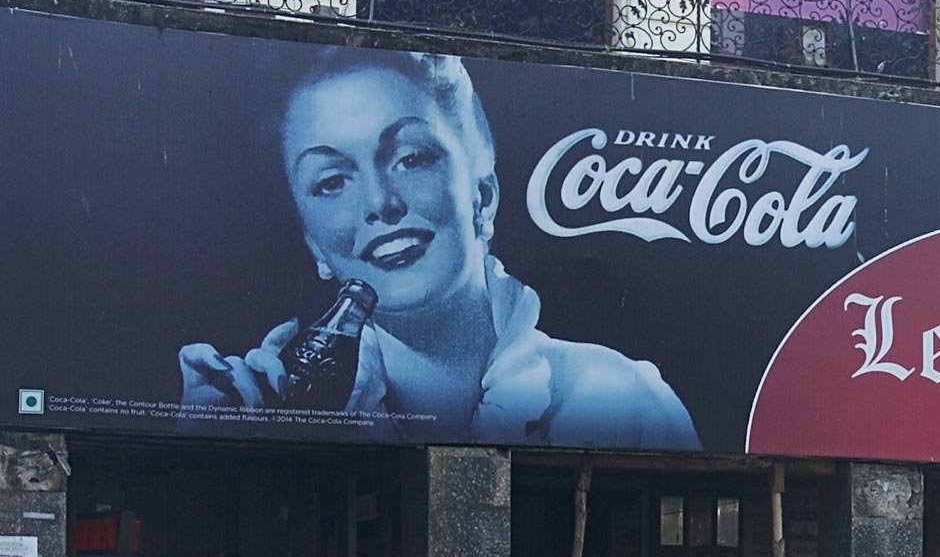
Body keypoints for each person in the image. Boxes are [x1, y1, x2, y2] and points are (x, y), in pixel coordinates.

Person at [180, 49, 698, 451]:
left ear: (483, 195)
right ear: (313, 242)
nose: (380, 203)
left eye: (411, 158)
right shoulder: (295, 406)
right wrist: (223, 445)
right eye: (332, 181)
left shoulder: (620, 397)